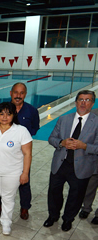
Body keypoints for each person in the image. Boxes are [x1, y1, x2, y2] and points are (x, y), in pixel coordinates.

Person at [45, 90, 98, 231]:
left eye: (87, 100)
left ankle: (68, 219)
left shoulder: (97, 122)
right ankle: (53, 215)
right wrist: (62, 142)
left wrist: (84, 146)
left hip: (82, 166)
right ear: (75, 102)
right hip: (61, 163)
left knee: (76, 196)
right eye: (81, 99)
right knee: (54, 192)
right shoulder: (64, 119)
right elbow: (51, 138)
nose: (83, 103)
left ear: (92, 103)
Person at [0, 102, 32, 235]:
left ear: (13, 115)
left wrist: (25, 173)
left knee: (8, 198)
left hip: (12, 172)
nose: (4, 117)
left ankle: (6, 222)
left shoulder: (21, 131)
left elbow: (27, 154)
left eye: (8, 114)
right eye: (1, 113)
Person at [10, 82, 40, 220]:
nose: (18, 96)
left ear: (25, 94)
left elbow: (34, 128)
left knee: (24, 180)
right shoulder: (3, 109)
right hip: (6, 152)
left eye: (21, 93)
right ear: (11, 93)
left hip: (23, 153)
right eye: (16, 92)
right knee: (2, 179)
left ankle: (24, 207)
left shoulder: (32, 111)